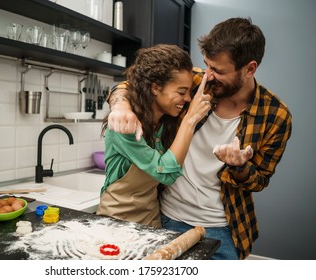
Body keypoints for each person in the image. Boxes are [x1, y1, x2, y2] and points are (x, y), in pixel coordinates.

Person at [106, 17, 292, 259]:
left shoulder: (276, 115)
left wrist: (240, 167)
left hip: (223, 229)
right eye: (207, 65)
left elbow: (260, 180)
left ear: (249, 69)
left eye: (218, 70)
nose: (209, 75)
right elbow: (133, 84)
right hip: (165, 217)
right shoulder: (192, 82)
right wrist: (120, 106)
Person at [96, 44, 211, 228]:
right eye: (182, 92)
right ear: (155, 88)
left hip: (152, 220)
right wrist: (190, 120)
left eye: (189, 92)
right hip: (116, 222)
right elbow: (166, 173)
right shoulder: (126, 126)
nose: (188, 99)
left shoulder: (165, 119)